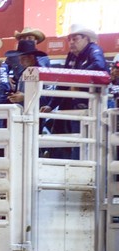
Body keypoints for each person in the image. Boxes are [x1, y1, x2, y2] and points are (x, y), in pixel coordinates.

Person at [41, 24, 108, 159]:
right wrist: (51, 105)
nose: (71, 42)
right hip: (73, 105)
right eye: (69, 39)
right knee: (72, 138)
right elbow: (64, 81)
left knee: (84, 140)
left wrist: (77, 79)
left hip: (90, 105)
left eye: (75, 39)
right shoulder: (71, 55)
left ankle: (82, 168)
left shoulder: (94, 50)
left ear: (86, 39)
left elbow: (99, 65)